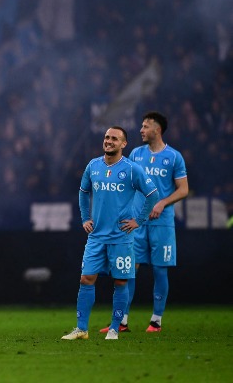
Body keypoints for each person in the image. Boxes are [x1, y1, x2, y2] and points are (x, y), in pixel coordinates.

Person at [62, 126, 158, 341]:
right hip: (96, 237)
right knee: (86, 279)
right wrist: (85, 218)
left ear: (124, 144)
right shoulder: (93, 166)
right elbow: (83, 192)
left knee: (120, 282)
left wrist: (138, 221)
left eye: (114, 138)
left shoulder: (132, 169)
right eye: (107, 137)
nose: (109, 141)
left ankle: (114, 328)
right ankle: (81, 329)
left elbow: (153, 194)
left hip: (121, 237)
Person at [100, 112, 188, 333]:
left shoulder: (174, 157)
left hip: (162, 222)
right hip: (136, 223)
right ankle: (122, 321)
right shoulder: (136, 154)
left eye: (145, 126)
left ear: (156, 130)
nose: (141, 129)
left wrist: (162, 203)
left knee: (160, 270)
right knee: (128, 269)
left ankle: (156, 321)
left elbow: (183, 189)